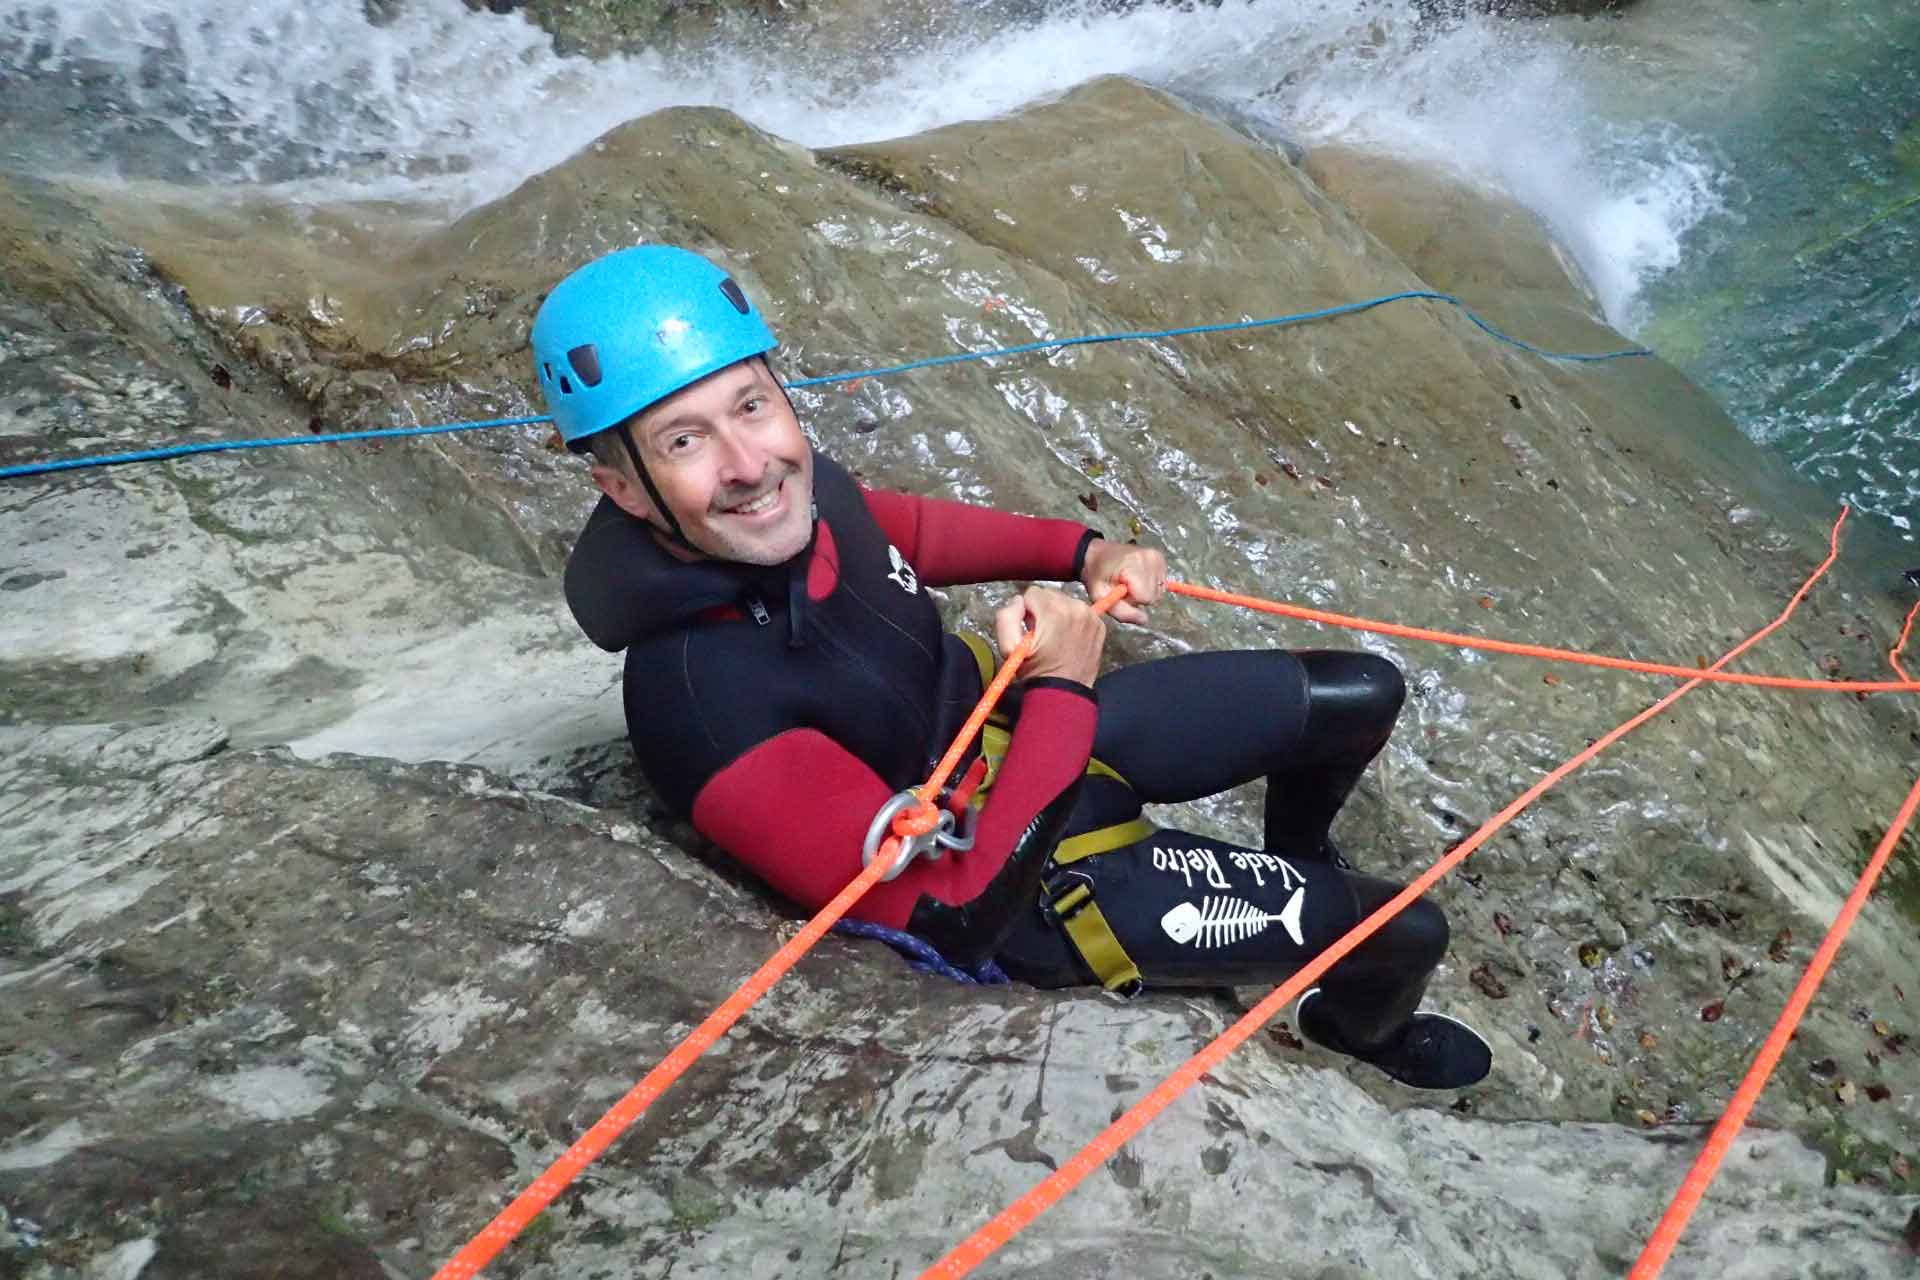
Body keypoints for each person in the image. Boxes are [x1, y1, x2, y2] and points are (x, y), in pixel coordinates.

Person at [539, 245, 1491, 1090]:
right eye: (683, 440)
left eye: (751, 405)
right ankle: (1353, 1026)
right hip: (1025, 884)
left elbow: (898, 530)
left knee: (1362, 694)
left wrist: (1080, 552)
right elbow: (956, 918)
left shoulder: (805, 488)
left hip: (1021, 739)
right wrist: (1062, 692)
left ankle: (1301, 861)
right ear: (620, 486)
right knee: (1406, 931)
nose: (749, 463)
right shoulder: (703, 708)